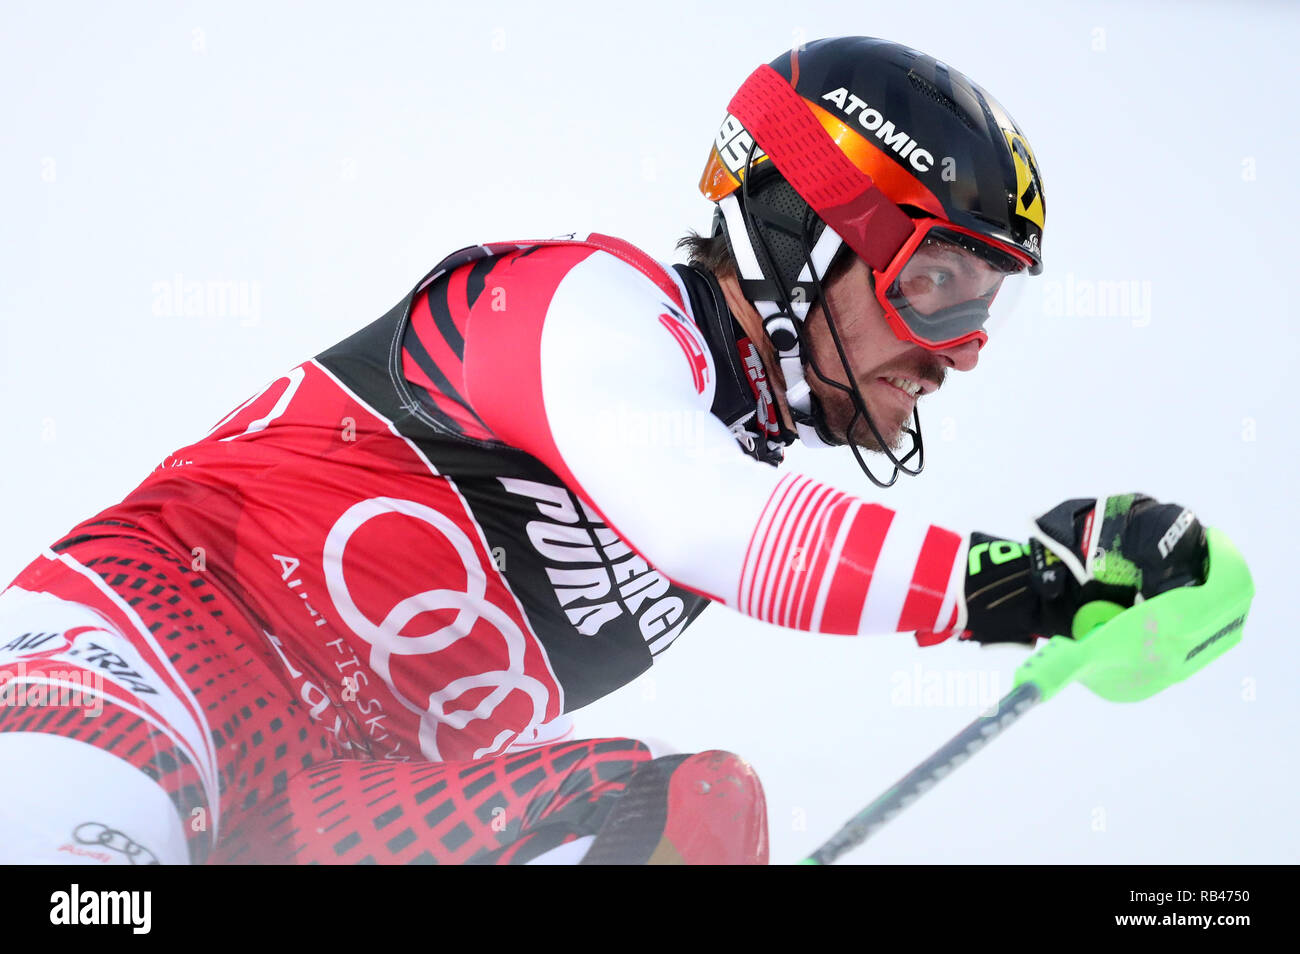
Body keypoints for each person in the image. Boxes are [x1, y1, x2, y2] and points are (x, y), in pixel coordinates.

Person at [0, 36, 1206, 865]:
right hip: (149, 657)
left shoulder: (728, 457)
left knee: (686, 816)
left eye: (987, 306)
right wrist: (1031, 583)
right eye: (937, 283)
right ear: (800, 231)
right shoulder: (592, 306)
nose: (960, 349)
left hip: (322, 802)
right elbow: (715, 526)